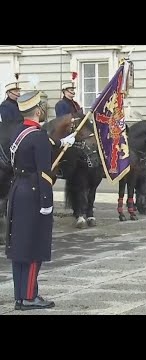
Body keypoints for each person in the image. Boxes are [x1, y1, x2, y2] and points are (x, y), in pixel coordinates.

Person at [5, 91, 74, 311]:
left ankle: (20, 295)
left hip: (18, 190)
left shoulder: (20, 132)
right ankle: (30, 296)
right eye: (43, 108)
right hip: (34, 193)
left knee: (20, 246)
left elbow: (33, 149)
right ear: (38, 110)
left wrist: (61, 142)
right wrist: (46, 202)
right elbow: (44, 172)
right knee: (34, 246)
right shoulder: (38, 137)